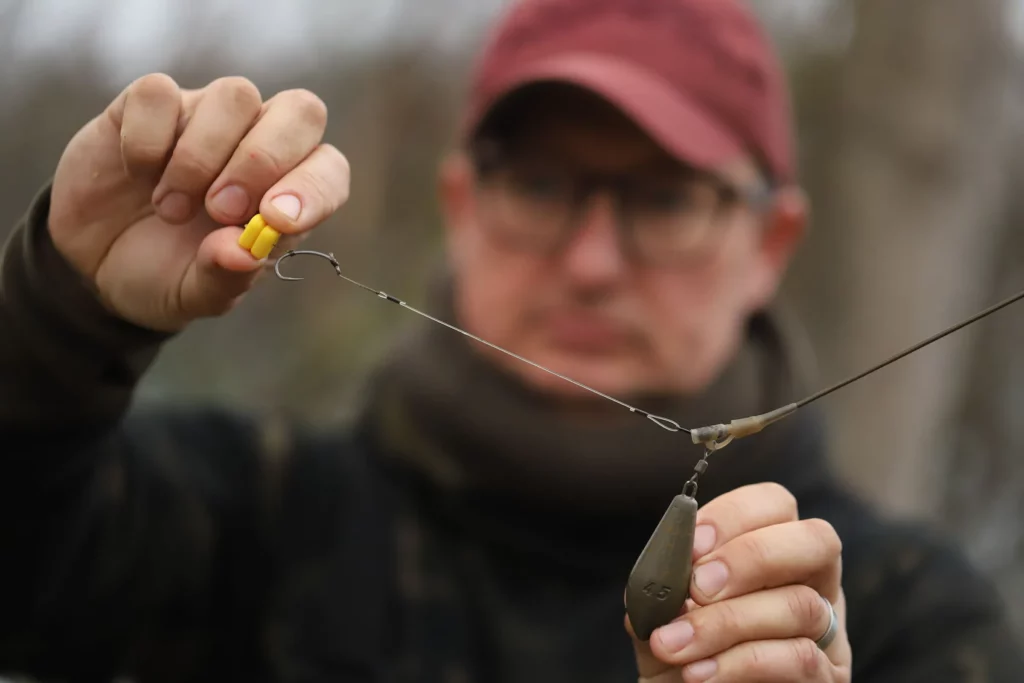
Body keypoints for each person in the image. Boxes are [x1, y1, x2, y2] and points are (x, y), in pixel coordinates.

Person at [1, 0, 1021, 680]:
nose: (590, 260)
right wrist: (55, 315)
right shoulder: (251, 517)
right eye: (540, 183)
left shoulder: (906, 616)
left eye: (663, 198)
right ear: (460, 202)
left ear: (771, 241)